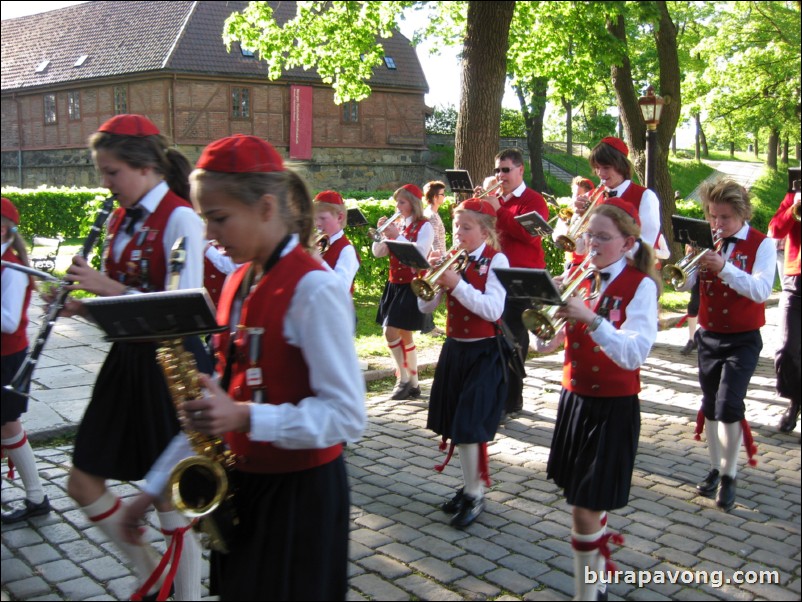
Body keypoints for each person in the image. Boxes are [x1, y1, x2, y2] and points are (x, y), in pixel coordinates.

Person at [121, 134, 366, 601]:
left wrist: (247, 417)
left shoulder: (315, 290)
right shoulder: (238, 280)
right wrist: (150, 490)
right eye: (205, 220)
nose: (210, 235)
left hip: (299, 498)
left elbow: (347, 417)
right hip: (243, 488)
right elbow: (213, 411)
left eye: (219, 219)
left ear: (267, 208)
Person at [58, 114, 206, 601]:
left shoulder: (181, 217)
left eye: (111, 172)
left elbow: (179, 310)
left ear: (144, 167)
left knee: (169, 499)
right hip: (126, 364)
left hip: (170, 368)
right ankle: (150, 578)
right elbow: (122, 309)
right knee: (81, 481)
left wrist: (106, 288)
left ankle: (179, 595)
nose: (105, 183)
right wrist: (82, 305)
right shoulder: (121, 218)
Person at [534, 199, 659, 601]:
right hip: (576, 399)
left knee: (583, 507)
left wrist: (591, 319)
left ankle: (586, 596)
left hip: (613, 405)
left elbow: (634, 354)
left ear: (627, 244)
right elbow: (546, 345)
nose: (593, 245)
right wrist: (544, 329)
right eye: (589, 235)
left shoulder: (640, 287)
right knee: (586, 498)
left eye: (603, 237)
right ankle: (598, 584)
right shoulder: (579, 275)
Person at [681, 179, 775, 511]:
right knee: (709, 405)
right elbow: (686, 285)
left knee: (729, 404)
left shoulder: (762, 244)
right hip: (708, 334)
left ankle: (730, 474)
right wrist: (690, 262)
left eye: (724, 218)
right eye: (712, 217)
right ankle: (716, 465)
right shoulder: (708, 240)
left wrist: (724, 268)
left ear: (741, 214)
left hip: (743, 338)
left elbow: (761, 291)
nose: (717, 225)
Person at [418, 198, 509, 529]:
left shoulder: (496, 261)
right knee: (456, 422)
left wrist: (456, 283)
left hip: (484, 352)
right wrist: (433, 281)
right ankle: (471, 485)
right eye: (456, 226)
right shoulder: (453, 261)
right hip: (455, 349)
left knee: (469, 424)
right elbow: (426, 308)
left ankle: (475, 493)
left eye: (465, 228)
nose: (458, 233)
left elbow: (492, 310)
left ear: (484, 231)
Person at [479, 148, 549, 416]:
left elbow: (531, 236)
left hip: (523, 277)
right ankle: (499, 392)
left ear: (521, 170)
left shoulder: (534, 200)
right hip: (494, 274)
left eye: (506, 170)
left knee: (513, 337)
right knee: (495, 334)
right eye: (497, 170)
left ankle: (511, 398)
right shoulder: (495, 199)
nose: (500, 175)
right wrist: (482, 206)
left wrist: (499, 210)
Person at [1, 197, 52, 524]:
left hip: (7, 357)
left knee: (8, 424)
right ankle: (36, 496)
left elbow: (8, 321)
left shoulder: (13, 267)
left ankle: (36, 496)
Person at [372, 184, 433, 400]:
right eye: (396, 202)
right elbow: (379, 253)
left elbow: (420, 255)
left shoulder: (425, 226)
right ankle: (413, 384)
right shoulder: (398, 225)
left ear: (414, 204)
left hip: (412, 284)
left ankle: (403, 379)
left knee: (390, 331)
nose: (397, 206)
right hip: (394, 284)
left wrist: (397, 236)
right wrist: (381, 235)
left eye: (402, 202)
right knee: (403, 333)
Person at [588, 137, 663, 259]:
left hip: (632, 271)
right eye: (597, 167)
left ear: (621, 166)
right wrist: (581, 218)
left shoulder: (645, 196)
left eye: (606, 167)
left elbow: (647, 244)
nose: (600, 173)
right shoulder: (596, 197)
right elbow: (581, 249)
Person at [768, 181, 800, 433]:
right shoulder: (793, 194)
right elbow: (776, 230)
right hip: (795, 278)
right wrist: (794, 207)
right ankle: (795, 400)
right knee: (787, 349)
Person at [313, 189, 360, 296]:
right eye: (315, 219)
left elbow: (342, 288)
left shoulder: (347, 250)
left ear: (340, 217)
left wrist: (318, 261)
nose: (317, 224)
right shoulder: (320, 243)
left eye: (322, 218)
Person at [422, 180, 448, 335]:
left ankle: (429, 325)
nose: (444, 197)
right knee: (430, 292)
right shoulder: (431, 215)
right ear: (433, 196)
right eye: (442, 194)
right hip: (435, 258)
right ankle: (427, 327)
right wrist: (440, 259)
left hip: (435, 257)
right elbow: (434, 240)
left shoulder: (432, 213)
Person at [553, 176, 595, 270]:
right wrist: (565, 226)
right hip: (569, 262)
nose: (575, 199)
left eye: (579, 195)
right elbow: (555, 236)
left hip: (584, 265)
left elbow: (581, 250)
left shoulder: (591, 219)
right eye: (574, 194)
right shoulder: (568, 212)